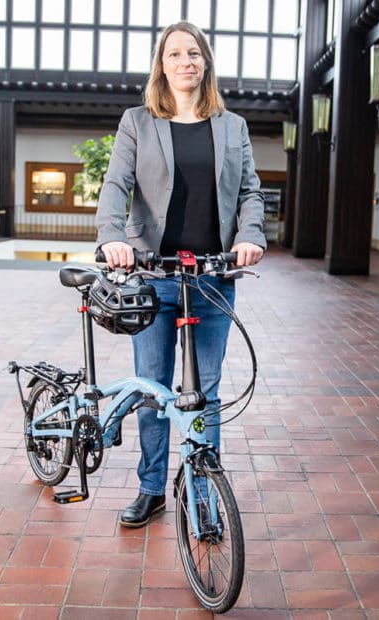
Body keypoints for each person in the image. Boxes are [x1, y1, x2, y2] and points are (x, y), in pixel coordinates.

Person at [95, 21, 266, 528]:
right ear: (162, 64)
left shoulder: (232, 126)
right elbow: (115, 185)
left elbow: (252, 192)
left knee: (206, 391)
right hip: (153, 273)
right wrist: (112, 237)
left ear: (205, 62)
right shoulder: (138, 122)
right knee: (154, 388)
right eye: (175, 54)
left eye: (194, 53)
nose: (185, 61)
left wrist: (250, 235)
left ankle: (202, 495)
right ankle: (151, 488)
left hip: (212, 276)